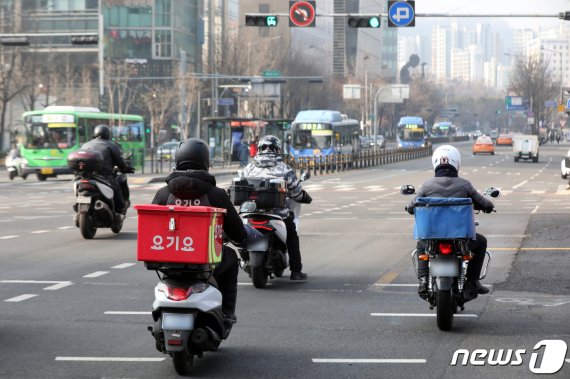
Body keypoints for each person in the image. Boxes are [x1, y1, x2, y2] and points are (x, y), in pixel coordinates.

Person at [151, 138, 247, 323]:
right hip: (206, 259)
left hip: (170, 259)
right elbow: (237, 232)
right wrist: (241, 239)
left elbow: (153, 227)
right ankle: (226, 312)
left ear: (178, 160)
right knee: (231, 258)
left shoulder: (163, 193)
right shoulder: (216, 194)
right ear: (205, 162)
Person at [407, 145, 494, 296]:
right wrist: (488, 207)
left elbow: (411, 205)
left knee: (421, 244)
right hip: (460, 238)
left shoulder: (427, 185)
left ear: (435, 162)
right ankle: (473, 281)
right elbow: (484, 203)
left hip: (433, 237)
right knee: (481, 242)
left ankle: (422, 280)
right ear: (457, 163)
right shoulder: (464, 184)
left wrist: (409, 207)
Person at [241, 135, 312, 280]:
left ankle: (244, 257)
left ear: (259, 149)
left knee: (239, 235)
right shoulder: (284, 169)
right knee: (292, 236)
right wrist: (304, 197)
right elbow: (296, 192)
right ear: (277, 149)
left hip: (250, 212)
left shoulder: (248, 168)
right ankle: (296, 271)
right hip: (277, 214)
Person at [81, 125, 133, 213]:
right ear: (107, 134)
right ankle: (120, 208)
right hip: (104, 175)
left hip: (85, 176)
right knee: (117, 188)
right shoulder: (111, 145)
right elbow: (119, 161)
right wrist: (126, 169)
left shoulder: (85, 145)